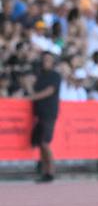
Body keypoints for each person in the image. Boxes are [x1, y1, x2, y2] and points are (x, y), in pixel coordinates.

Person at [26, 51, 61, 183]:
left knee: (45, 142)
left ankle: (51, 171)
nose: (45, 61)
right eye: (44, 59)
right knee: (40, 143)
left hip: (49, 113)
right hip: (39, 113)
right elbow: (33, 91)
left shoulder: (55, 75)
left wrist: (31, 97)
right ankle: (45, 171)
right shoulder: (39, 76)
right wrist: (28, 84)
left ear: (52, 62)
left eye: (48, 59)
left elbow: (49, 91)